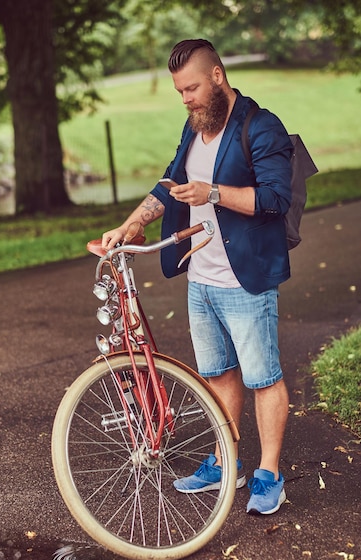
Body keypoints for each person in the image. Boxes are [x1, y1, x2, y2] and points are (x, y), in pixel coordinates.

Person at [102, 39, 293, 515]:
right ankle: (225, 460)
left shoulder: (261, 126)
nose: (185, 98)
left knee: (262, 377)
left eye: (191, 88)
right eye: (179, 91)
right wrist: (134, 222)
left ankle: (270, 474)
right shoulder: (194, 128)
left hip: (245, 280)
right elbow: (169, 183)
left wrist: (214, 193)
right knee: (217, 374)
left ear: (217, 76)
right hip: (201, 278)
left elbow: (274, 199)